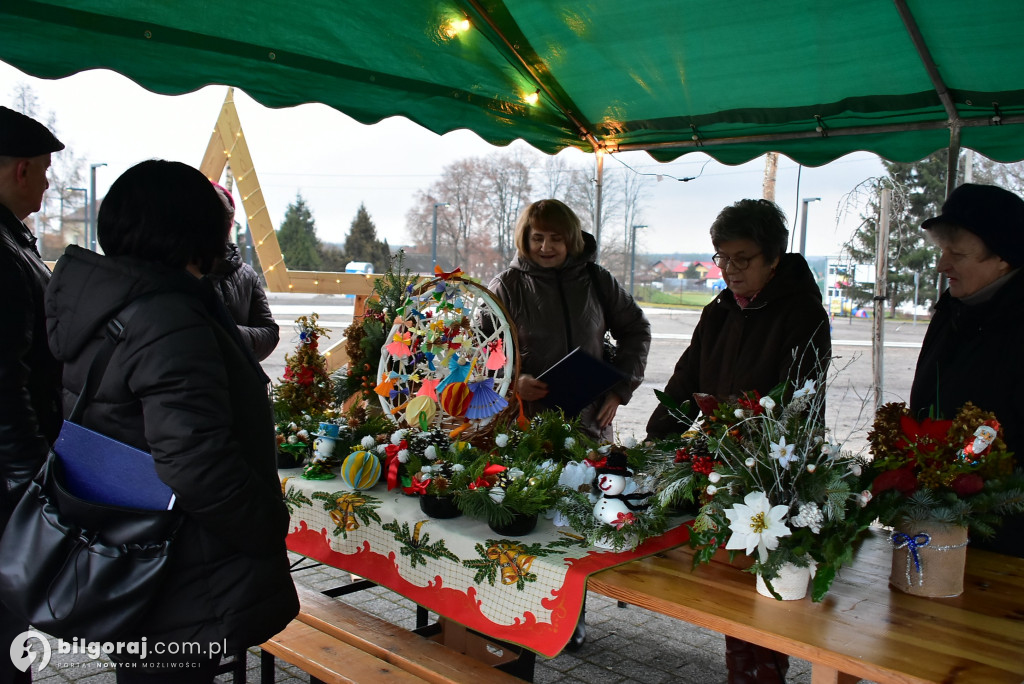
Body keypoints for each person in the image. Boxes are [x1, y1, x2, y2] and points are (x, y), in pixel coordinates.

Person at [45, 160, 297, 682]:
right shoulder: (168, 317)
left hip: (123, 538)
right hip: (177, 561)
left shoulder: (107, 300)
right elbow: (197, 461)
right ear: (195, 231)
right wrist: (267, 525)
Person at [645, 198, 830, 684]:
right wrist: (653, 439)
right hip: (719, 464)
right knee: (729, 587)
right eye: (720, 258)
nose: (728, 270)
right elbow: (685, 380)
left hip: (774, 471)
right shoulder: (719, 310)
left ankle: (767, 672)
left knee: (767, 587)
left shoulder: (803, 314)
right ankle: (739, 671)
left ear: (774, 258)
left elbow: (798, 401)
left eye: (742, 259)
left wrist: (745, 427)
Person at [910, 182, 1024, 558]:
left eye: (957, 254)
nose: (943, 266)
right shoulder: (952, 310)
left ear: (1004, 258)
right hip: (933, 517)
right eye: (943, 250)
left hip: (1002, 537)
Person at [488, 198, 651, 442]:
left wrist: (620, 389)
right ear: (525, 238)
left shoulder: (598, 280)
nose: (546, 247)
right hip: (525, 428)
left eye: (556, 238)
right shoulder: (506, 287)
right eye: (538, 238)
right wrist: (512, 382)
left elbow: (636, 330)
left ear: (571, 239)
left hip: (590, 426)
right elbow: (480, 350)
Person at [0, 106, 64, 684]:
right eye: (43, 171)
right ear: (20, 169)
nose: (47, 183)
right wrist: (32, 484)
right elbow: (3, 384)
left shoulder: (11, 238)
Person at [207, 182, 279, 361]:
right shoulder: (173, 271)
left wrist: (229, 334)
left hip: (237, 383)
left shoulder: (246, 275)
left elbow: (269, 334)